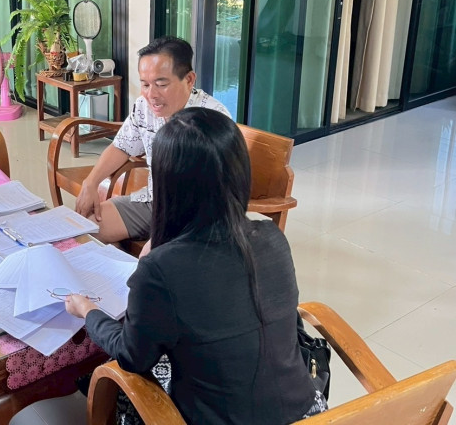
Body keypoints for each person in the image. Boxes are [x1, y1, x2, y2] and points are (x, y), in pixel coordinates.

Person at [65, 107, 326, 424]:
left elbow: (133, 357)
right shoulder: (273, 238)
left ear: (166, 185)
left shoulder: (161, 268)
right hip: (307, 412)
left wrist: (87, 310)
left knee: (121, 376)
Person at [75, 36, 230, 245]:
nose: (151, 95)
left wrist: (158, 239)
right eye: (145, 84)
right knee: (86, 229)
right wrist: (91, 183)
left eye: (161, 84)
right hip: (152, 202)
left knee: (156, 257)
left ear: (189, 79)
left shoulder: (212, 118)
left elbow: (215, 195)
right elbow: (122, 146)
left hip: (197, 217)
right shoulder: (143, 107)